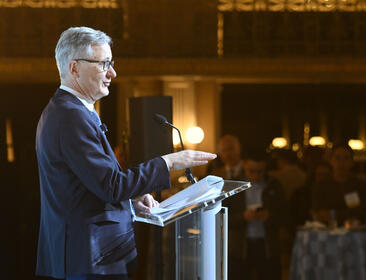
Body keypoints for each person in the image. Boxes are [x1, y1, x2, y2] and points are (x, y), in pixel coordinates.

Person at [35, 27, 216, 280]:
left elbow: (88, 188)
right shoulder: (70, 116)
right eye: (103, 64)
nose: (113, 73)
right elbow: (111, 185)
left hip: (91, 256)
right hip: (88, 259)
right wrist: (168, 162)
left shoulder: (70, 111)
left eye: (111, 63)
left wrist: (130, 204)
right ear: (74, 68)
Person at [229, 151, 287, 280]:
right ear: (244, 166)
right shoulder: (233, 186)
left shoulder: (274, 185)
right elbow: (223, 218)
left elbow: (285, 216)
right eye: (252, 171)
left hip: (267, 247)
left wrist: (269, 216)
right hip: (240, 248)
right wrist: (243, 217)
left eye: (260, 171)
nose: (256, 175)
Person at [311, 144, 366, 225]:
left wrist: (334, 214)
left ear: (352, 162)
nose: (341, 163)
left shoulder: (360, 185)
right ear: (331, 161)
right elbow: (318, 211)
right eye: (337, 158)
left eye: (346, 158)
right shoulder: (322, 185)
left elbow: (362, 211)